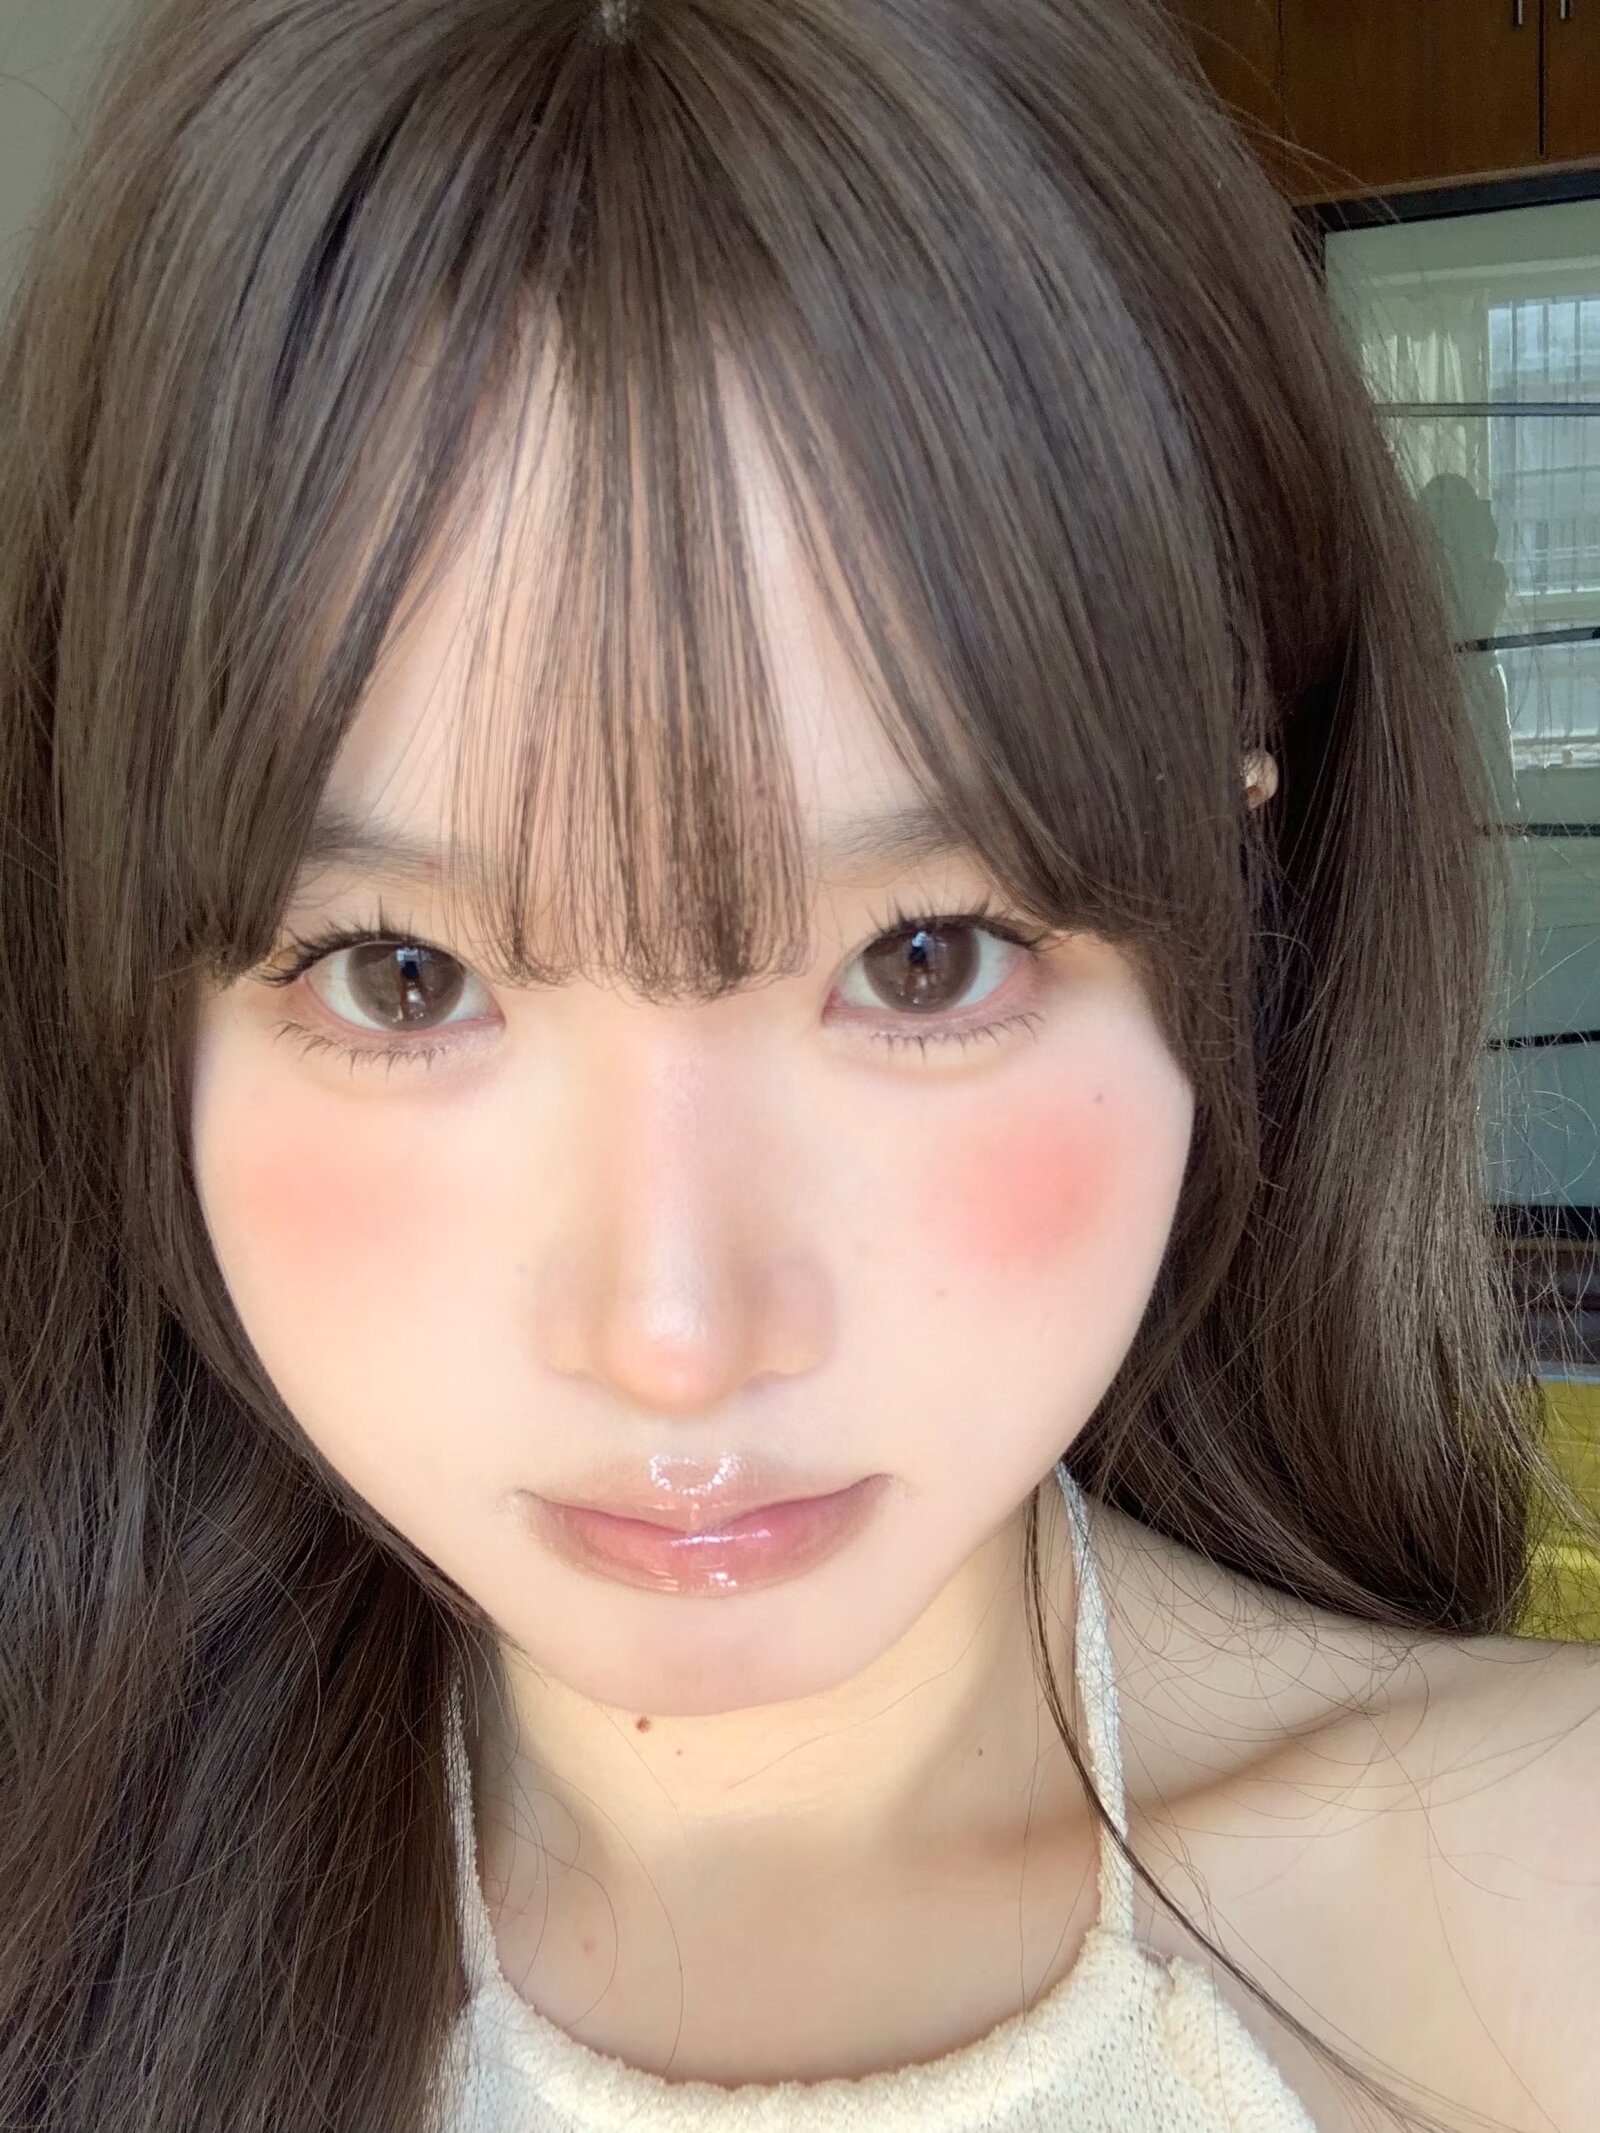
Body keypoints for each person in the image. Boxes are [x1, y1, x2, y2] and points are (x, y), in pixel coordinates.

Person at [0, 1, 1595, 2129]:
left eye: (919, 957)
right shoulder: (65, 1908)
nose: (676, 1338)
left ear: (1238, 866)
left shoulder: (1535, 1921)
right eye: (401, 974)